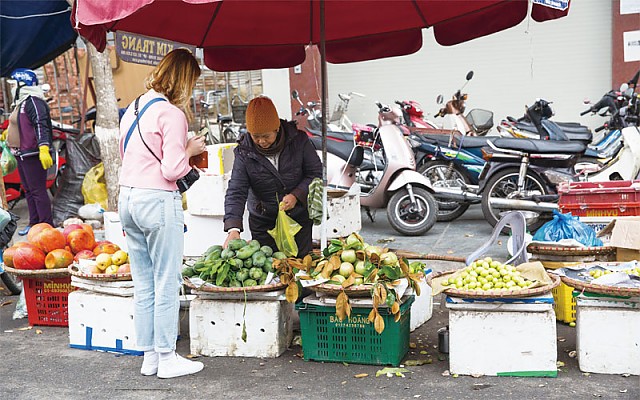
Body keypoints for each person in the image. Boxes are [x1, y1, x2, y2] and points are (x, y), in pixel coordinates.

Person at [118, 49, 206, 379]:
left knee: (143, 283)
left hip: (128, 198)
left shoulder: (133, 108)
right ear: (184, 80)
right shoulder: (171, 114)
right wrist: (189, 150)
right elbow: (172, 169)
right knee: (166, 280)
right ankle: (168, 357)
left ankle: (150, 357)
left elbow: (129, 156)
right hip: (156, 199)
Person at [223, 96, 322, 256]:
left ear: (276, 129)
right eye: (256, 136)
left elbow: (315, 173)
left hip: (298, 221)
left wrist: (297, 195)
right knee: (268, 267)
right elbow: (236, 191)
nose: (261, 141)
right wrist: (233, 228)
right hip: (263, 224)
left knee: (301, 265)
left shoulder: (299, 141)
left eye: (266, 136)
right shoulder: (244, 152)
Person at [6, 68, 54, 235]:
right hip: (22, 153)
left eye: (14, 84)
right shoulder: (21, 102)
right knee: (28, 190)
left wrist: (43, 147)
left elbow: (40, 124)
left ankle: (46, 226)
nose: (12, 88)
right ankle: (34, 223)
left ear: (22, 85)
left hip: (33, 153)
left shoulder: (34, 101)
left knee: (38, 191)